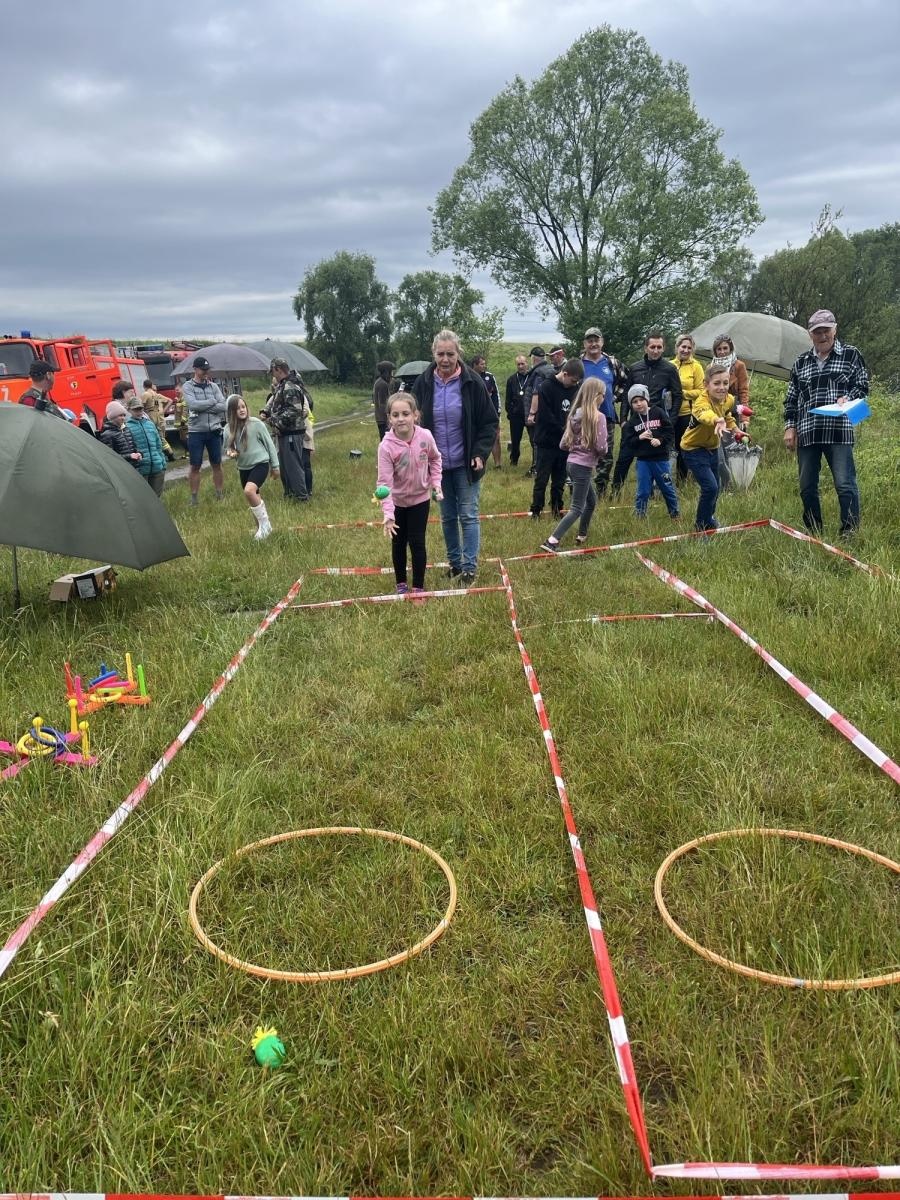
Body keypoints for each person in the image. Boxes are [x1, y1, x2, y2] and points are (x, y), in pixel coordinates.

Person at [412, 329, 498, 586]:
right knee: (447, 516)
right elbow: (413, 421)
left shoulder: (473, 382)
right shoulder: (424, 383)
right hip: (436, 466)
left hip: (466, 463)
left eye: (450, 354)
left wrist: (480, 453)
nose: (446, 359)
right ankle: (455, 564)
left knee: (468, 515)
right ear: (433, 354)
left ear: (458, 354)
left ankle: (470, 568)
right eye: (441, 354)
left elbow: (489, 422)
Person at [784, 308, 868, 537]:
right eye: (817, 332)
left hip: (839, 430)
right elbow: (791, 399)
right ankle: (813, 532)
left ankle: (849, 531)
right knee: (807, 487)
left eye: (826, 330)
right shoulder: (801, 362)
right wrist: (790, 427)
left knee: (844, 484)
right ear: (810, 335)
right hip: (808, 432)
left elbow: (862, 387)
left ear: (835, 329)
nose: (822, 336)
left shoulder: (851, 354)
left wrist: (848, 398)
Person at [376, 393, 443, 595]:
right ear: (389, 418)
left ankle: (418, 587)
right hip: (397, 502)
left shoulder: (426, 436)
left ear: (416, 415)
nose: (400, 418)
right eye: (395, 415)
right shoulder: (385, 447)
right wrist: (388, 514)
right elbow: (384, 485)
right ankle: (401, 584)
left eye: (405, 413)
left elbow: (435, 459)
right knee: (398, 542)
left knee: (417, 541)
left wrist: (436, 483)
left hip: (420, 500)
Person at [539, 377, 608, 553]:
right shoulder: (598, 417)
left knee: (591, 501)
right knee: (577, 507)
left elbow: (563, 444)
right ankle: (552, 541)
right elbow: (601, 447)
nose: (604, 399)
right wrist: (600, 451)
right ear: (597, 396)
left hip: (571, 463)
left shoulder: (574, 415)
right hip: (583, 467)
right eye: (603, 395)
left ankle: (582, 534)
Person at [617, 331, 683, 492]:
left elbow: (678, 395)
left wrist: (671, 421)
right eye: (652, 346)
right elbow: (626, 395)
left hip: (657, 420)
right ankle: (615, 491)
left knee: (655, 459)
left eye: (659, 347)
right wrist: (623, 419)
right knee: (624, 457)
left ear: (663, 348)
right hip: (635, 421)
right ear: (646, 348)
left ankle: (657, 492)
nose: (655, 350)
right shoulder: (635, 368)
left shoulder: (670, 369)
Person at [679, 364, 741, 530]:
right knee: (710, 487)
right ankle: (701, 526)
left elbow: (727, 415)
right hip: (692, 449)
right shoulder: (700, 402)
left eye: (725, 383)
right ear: (706, 384)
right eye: (717, 383)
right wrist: (716, 420)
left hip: (712, 448)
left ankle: (709, 518)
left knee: (717, 487)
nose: (722, 387)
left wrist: (736, 430)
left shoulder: (728, 399)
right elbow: (705, 414)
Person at [527, 356, 585, 519]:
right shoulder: (546, 386)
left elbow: (575, 411)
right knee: (542, 479)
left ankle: (557, 508)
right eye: (573, 381)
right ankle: (536, 510)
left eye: (577, 382)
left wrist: (572, 431)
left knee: (559, 480)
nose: (574, 384)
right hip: (547, 441)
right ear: (564, 374)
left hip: (565, 443)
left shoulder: (575, 389)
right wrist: (565, 430)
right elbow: (545, 415)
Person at [580, 328, 629, 496]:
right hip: (583, 417)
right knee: (583, 453)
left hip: (607, 415)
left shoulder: (612, 362)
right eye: (589, 341)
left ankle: (600, 491)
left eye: (596, 340)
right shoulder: (578, 364)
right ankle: (582, 491)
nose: (593, 344)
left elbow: (626, 382)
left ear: (602, 342)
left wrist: (614, 397)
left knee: (605, 455)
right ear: (584, 344)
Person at [224, 393, 279, 540]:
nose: (242, 410)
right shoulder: (227, 429)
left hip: (260, 464)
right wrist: (231, 453)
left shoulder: (256, 424)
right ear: (231, 412)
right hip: (243, 468)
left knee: (249, 491)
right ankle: (261, 529)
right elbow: (228, 448)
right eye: (237, 408)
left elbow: (270, 445)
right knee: (254, 497)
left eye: (243, 407)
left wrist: (275, 466)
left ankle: (266, 525)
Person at [622, 384, 679, 520]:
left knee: (667, 488)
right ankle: (640, 516)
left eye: (641, 400)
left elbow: (669, 431)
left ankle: (675, 514)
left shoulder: (658, 412)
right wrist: (639, 438)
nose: (638, 404)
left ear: (647, 399)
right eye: (634, 402)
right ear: (631, 405)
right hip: (643, 461)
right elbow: (628, 442)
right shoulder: (633, 421)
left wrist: (660, 440)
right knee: (643, 491)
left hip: (661, 459)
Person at [261, 358, 311, 502]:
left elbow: (294, 411)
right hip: (285, 432)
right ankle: (290, 494)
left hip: (292, 432)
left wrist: (274, 421)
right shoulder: (283, 385)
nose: (273, 375)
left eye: (273, 372)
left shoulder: (290, 386)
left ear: (278, 369)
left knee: (294, 466)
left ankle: (301, 497)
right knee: (286, 467)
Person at [182, 355, 226, 504]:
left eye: (207, 369)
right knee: (195, 465)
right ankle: (194, 498)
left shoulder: (214, 386)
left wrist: (206, 406)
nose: (206, 372)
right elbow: (193, 405)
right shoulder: (188, 386)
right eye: (203, 369)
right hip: (196, 432)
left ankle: (220, 494)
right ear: (195, 369)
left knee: (217, 463)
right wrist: (212, 402)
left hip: (214, 430)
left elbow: (223, 406)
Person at [670, 333, 705, 483]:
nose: (685, 350)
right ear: (677, 348)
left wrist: (683, 394)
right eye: (683, 346)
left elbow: (702, 391)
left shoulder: (696, 367)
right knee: (667, 447)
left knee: (683, 446)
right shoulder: (669, 365)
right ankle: (664, 480)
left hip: (686, 413)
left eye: (689, 348)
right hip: (668, 412)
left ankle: (681, 480)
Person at [123, 386, 167, 496]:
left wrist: (162, 462)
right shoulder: (127, 427)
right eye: (135, 409)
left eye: (140, 409)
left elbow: (158, 444)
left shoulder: (150, 424)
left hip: (157, 467)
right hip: (142, 469)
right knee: (144, 497)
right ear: (129, 410)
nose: (139, 412)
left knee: (157, 497)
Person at [522, 347, 556, 475]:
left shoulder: (538, 373)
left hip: (538, 414)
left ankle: (537, 468)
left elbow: (536, 393)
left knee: (536, 441)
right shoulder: (550, 370)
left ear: (533, 358)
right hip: (548, 413)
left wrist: (531, 414)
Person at [471, 355, 502, 467]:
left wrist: (497, 412)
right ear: (475, 365)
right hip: (474, 413)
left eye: (484, 364)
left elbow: (496, 395)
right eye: (481, 364)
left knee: (495, 437)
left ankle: (498, 464)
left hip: (490, 412)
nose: (484, 366)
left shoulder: (489, 377)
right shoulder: (468, 376)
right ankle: (476, 460)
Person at [711, 334, 750, 421]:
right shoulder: (711, 367)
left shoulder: (739, 365)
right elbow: (705, 390)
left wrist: (745, 418)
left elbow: (743, 392)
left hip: (732, 412)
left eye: (725, 348)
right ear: (715, 351)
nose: (722, 352)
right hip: (713, 411)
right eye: (719, 349)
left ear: (730, 349)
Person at [504, 353, 530, 467]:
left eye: (522, 364)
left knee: (534, 440)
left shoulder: (532, 377)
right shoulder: (511, 379)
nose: (520, 366)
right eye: (518, 364)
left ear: (527, 364)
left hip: (530, 414)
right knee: (515, 440)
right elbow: (507, 398)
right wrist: (511, 412)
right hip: (516, 415)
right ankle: (514, 460)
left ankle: (535, 462)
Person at [98, 400, 142, 467]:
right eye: (120, 415)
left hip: (134, 468)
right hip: (122, 470)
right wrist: (129, 456)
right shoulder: (107, 434)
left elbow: (134, 447)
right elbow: (109, 457)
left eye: (124, 415)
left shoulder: (126, 429)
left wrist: (139, 453)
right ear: (113, 417)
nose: (123, 418)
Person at [142, 379, 176, 461]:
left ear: (144, 386)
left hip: (151, 416)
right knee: (161, 437)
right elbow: (170, 400)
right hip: (159, 417)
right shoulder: (157, 395)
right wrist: (163, 411)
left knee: (157, 437)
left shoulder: (146, 394)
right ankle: (168, 454)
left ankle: (168, 454)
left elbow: (141, 406)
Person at [373, 360, 393, 441]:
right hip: (383, 418)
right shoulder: (382, 384)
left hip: (381, 417)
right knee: (385, 440)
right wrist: (389, 417)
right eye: (391, 372)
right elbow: (383, 403)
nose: (392, 375)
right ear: (386, 372)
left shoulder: (380, 382)